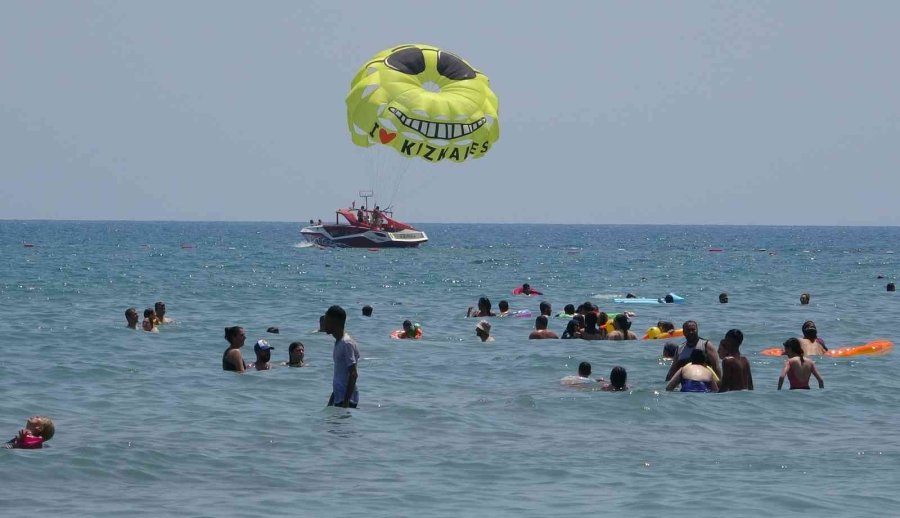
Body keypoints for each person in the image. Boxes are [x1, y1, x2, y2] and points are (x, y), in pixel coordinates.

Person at [325, 305, 360, 408]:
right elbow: (340, 377)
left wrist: (346, 403)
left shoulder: (346, 343)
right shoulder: (338, 342)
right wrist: (330, 403)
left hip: (347, 401)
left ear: (335, 321)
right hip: (339, 398)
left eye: (327, 320)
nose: (324, 324)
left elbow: (353, 374)